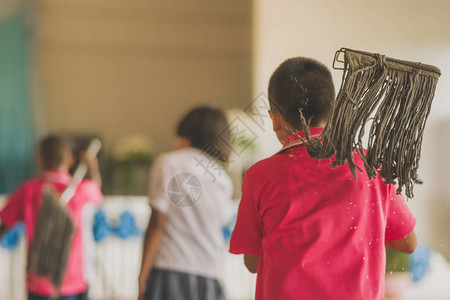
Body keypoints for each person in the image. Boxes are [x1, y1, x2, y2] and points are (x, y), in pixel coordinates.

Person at [229, 57, 417, 300]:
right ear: (336, 109)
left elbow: (253, 262)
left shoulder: (260, 176)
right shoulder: (372, 167)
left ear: (275, 119)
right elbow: (408, 243)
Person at [138, 106, 233, 300]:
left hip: (170, 268)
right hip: (209, 273)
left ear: (185, 134)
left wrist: (142, 274)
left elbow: (157, 222)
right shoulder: (223, 179)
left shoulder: (168, 162)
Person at [0, 135, 103, 300]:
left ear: (40, 159)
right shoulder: (82, 190)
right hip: (73, 279)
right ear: (70, 160)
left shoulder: (27, 190)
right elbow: (97, 191)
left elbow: (4, 224)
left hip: (38, 280)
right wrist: (92, 166)